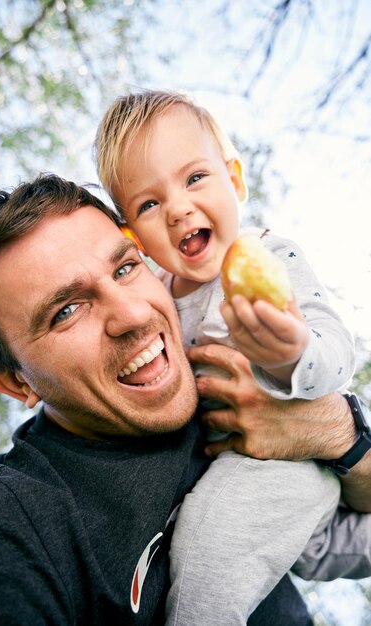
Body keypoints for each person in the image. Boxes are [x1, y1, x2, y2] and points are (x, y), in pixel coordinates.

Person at [0, 174, 369, 626]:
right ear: (15, 383)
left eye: (125, 268)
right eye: (67, 311)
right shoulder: (9, 534)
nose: (133, 314)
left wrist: (339, 433)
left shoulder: (224, 374)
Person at [94, 90, 371, 624]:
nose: (177, 208)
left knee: (207, 546)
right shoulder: (155, 296)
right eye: (149, 204)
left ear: (235, 181)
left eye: (195, 178)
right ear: (134, 238)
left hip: (280, 464)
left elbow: (340, 357)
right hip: (266, 485)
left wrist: (294, 352)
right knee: (312, 558)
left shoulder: (265, 254)